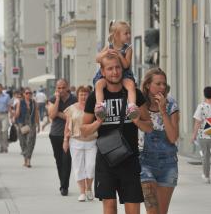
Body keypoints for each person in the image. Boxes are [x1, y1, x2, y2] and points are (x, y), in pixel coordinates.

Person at [81, 53, 152, 214]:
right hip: (106, 160)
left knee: (133, 207)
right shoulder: (95, 97)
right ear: (103, 72)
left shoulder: (135, 94)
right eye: (110, 68)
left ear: (123, 69)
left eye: (117, 67)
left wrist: (137, 122)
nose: (114, 72)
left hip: (130, 158)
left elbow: (149, 126)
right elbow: (83, 131)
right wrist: (98, 122)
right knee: (109, 207)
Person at [139, 68, 180, 214]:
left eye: (164, 84)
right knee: (152, 211)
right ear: (148, 85)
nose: (162, 87)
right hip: (144, 163)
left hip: (168, 164)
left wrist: (163, 110)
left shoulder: (171, 104)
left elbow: (173, 137)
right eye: (158, 84)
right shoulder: (140, 104)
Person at [93, 20, 139, 121]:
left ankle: (131, 107)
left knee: (130, 85)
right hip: (108, 75)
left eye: (129, 33)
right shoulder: (109, 46)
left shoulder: (128, 49)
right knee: (99, 84)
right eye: (126, 33)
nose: (129, 35)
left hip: (124, 73)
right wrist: (105, 53)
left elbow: (126, 65)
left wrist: (119, 55)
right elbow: (97, 59)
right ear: (117, 35)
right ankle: (100, 106)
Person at [63, 86, 97, 202]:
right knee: (78, 168)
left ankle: (89, 188)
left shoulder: (94, 107)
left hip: (91, 141)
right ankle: (82, 192)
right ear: (77, 96)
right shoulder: (71, 109)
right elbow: (67, 126)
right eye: (81, 94)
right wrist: (65, 140)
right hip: (76, 141)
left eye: (86, 94)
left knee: (91, 166)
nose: (83, 96)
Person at [47, 78, 77, 196]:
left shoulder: (74, 99)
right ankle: (62, 183)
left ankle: (64, 187)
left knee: (67, 161)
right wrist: (58, 100)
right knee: (59, 161)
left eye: (63, 87)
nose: (61, 90)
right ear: (56, 88)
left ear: (68, 87)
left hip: (70, 135)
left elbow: (74, 117)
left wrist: (61, 114)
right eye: (59, 88)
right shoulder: (53, 99)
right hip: (55, 134)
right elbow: (52, 115)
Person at [191, 86, 211, 185]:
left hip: (203, 135)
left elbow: (197, 122)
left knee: (205, 156)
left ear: (204, 94)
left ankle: (206, 175)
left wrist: (194, 135)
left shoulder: (201, 107)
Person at [15, 87, 40, 167]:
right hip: (22, 124)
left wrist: (38, 125)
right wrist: (16, 113)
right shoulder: (20, 102)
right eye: (27, 93)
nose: (28, 94)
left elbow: (36, 114)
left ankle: (28, 160)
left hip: (31, 124)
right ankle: (25, 159)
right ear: (23, 94)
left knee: (31, 142)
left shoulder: (34, 102)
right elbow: (17, 115)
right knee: (23, 142)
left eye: (30, 93)